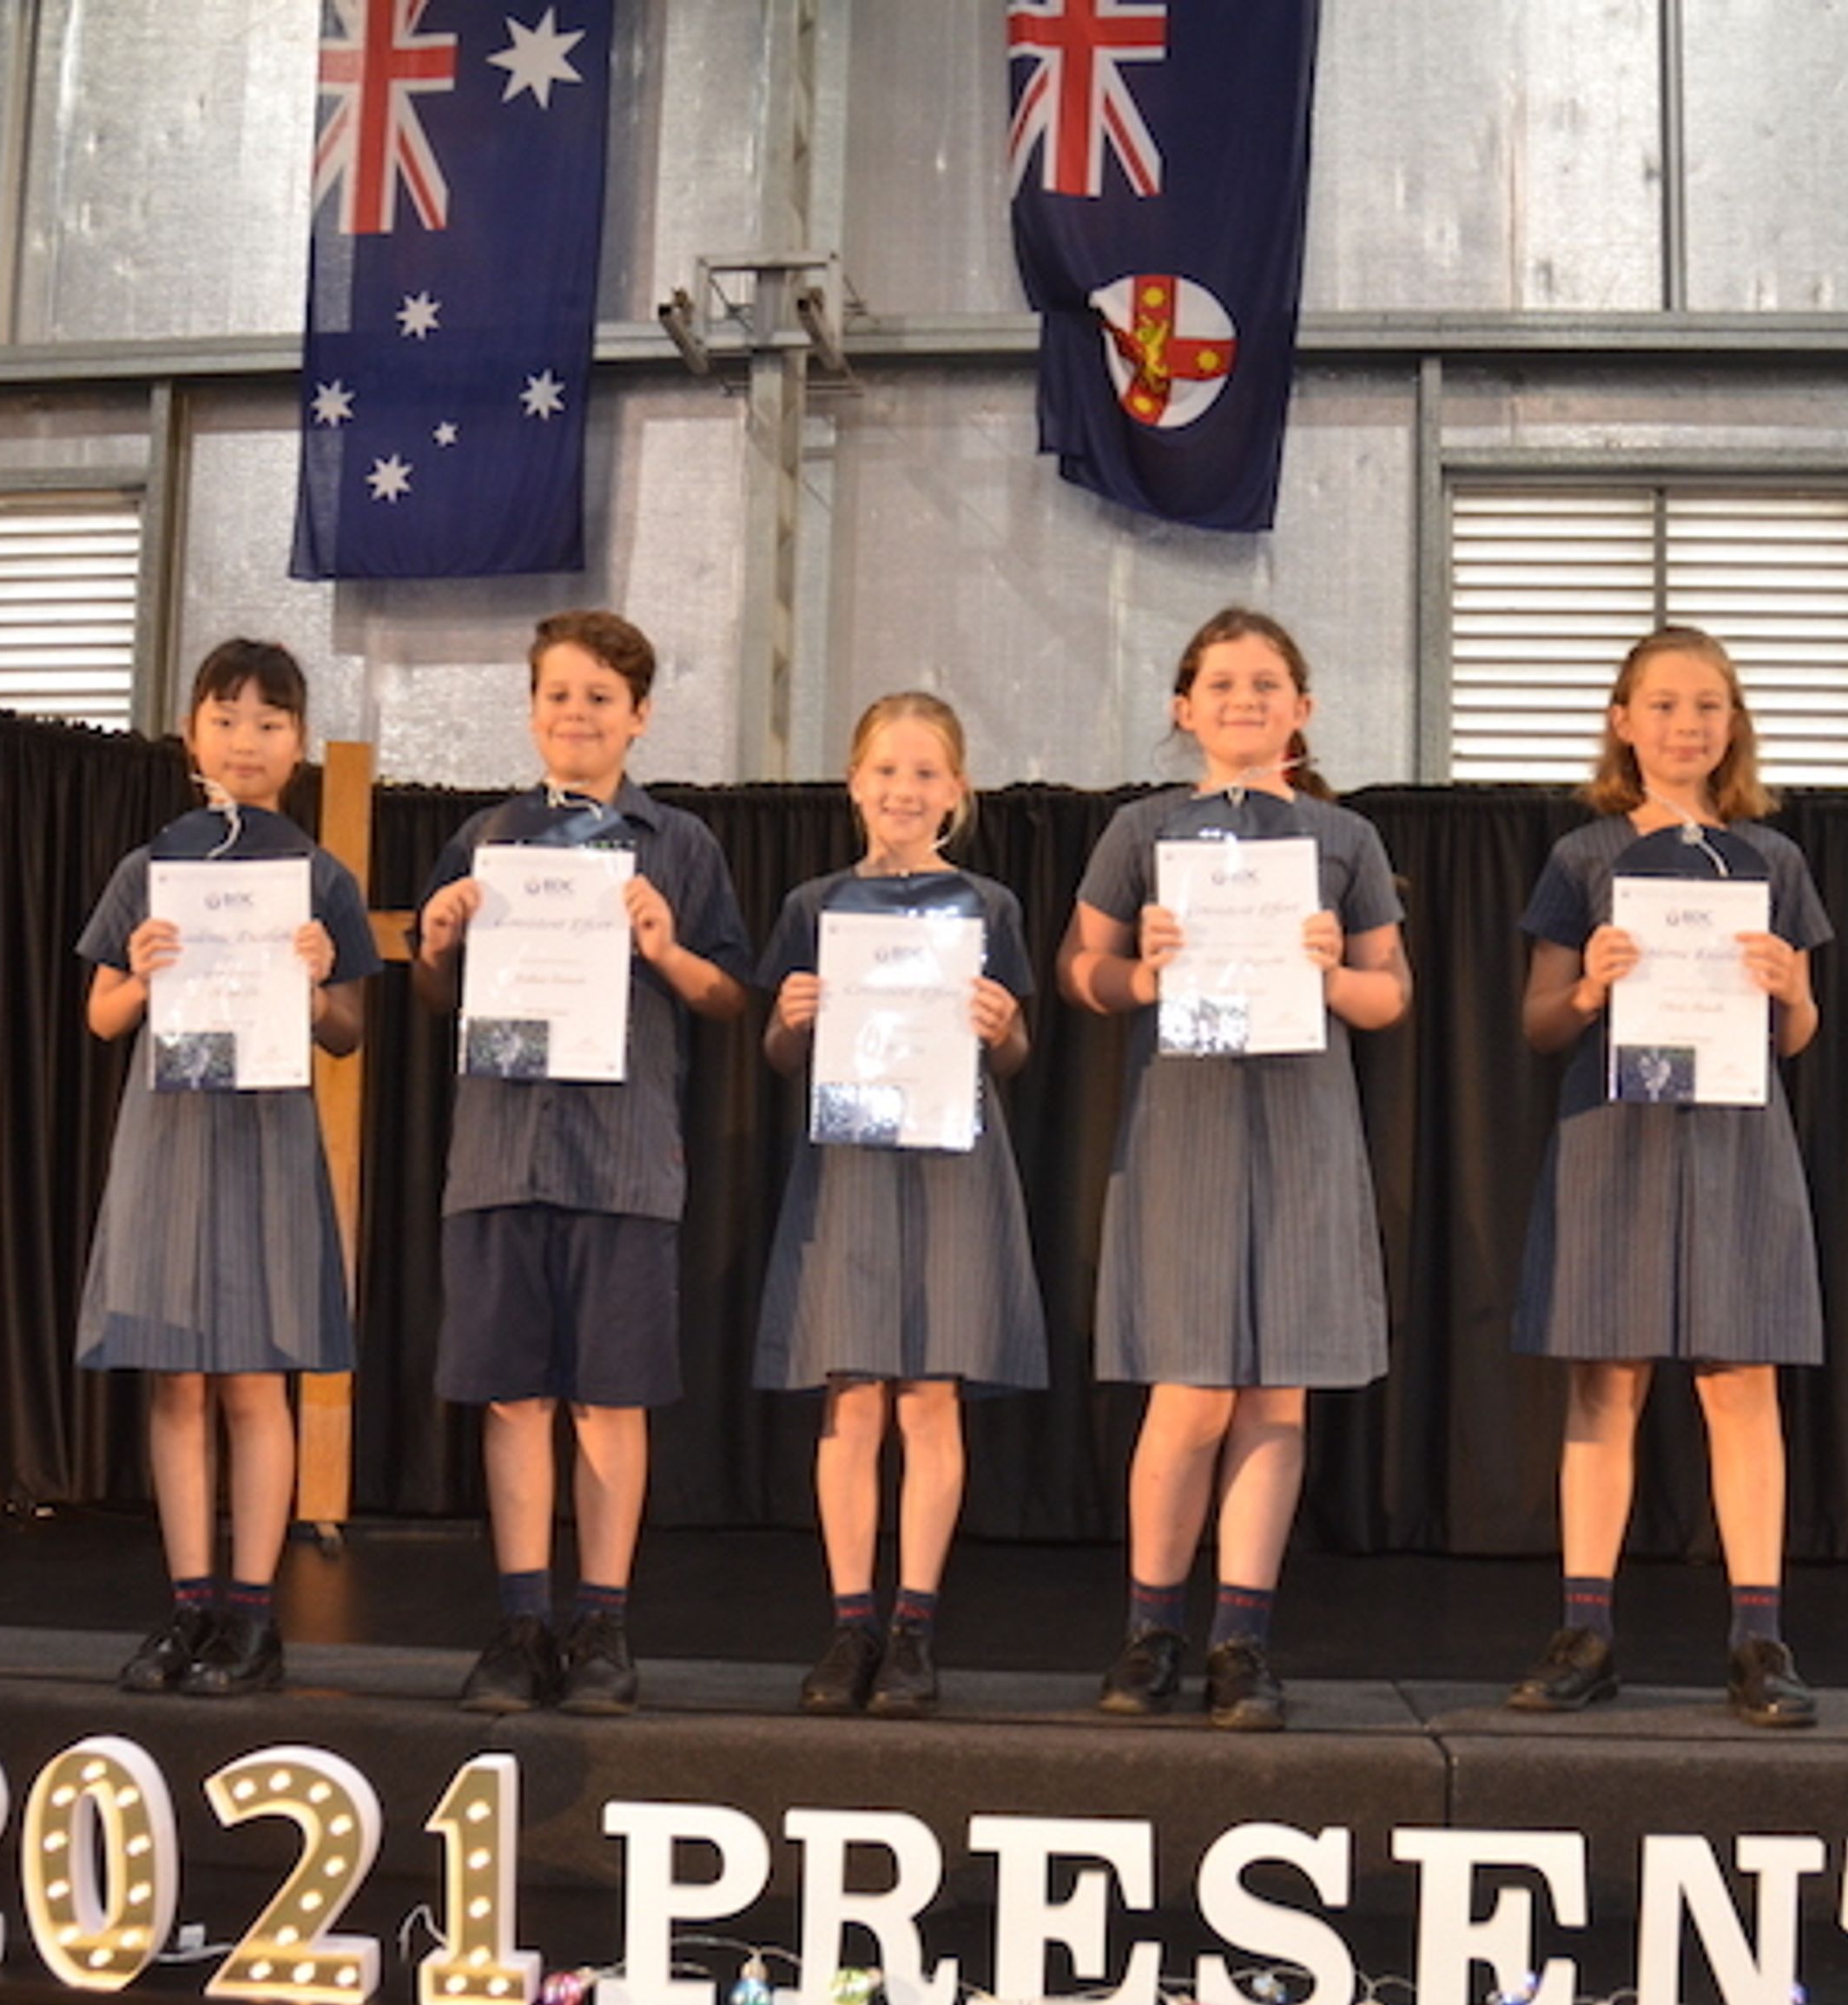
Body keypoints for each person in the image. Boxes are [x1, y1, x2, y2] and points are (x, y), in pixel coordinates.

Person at [1059, 608, 1411, 1731]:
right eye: (1221, 684)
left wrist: (1330, 971)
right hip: (1186, 1132)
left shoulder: (1341, 840)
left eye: (1266, 684)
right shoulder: (1143, 831)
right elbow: (1080, 970)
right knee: (1191, 1392)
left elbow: (1389, 994)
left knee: (1275, 1392)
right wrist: (1143, 975)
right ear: (1184, 708)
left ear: (1302, 708)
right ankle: (1150, 1630)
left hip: (1304, 1132)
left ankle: (1240, 1641)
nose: (1244, 700)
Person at [412, 610, 751, 1717]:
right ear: (531, 710)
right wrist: (437, 944)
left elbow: (728, 996)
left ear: (639, 716)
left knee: (611, 1400)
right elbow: (435, 996)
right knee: (512, 1399)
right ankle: (520, 1624)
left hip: (623, 1161)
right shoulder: (484, 840)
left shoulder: (680, 845)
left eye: (601, 698)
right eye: (558, 694)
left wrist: (667, 948)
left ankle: (601, 1624)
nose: (577, 714)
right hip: (501, 1154)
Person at [1504, 625, 1832, 1730]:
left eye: (1706, 705)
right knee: (1605, 1382)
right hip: (1614, 1138)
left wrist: (1789, 990)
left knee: (1742, 1385)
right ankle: (1585, 1631)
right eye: (1663, 704)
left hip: (1737, 1141)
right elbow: (1538, 1023)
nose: (1686, 724)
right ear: (1622, 722)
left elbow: (1798, 1035)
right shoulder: (1583, 858)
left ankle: (1758, 1640)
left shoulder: (1772, 861)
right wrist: (1588, 989)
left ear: (1732, 725)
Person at [79, 638, 380, 1696]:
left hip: (265, 1138)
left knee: (257, 1377)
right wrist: (141, 975)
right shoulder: (150, 868)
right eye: (225, 717)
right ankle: (189, 1604)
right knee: (176, 1380)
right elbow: (102, 1014)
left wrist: (315, 988)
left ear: (298, 743)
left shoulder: (322, 876)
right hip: (168, 1137)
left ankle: (253, 1614)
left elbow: (348, 1030)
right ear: (189, 734)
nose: (245, 739)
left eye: (268, 721)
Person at [756, 693, 1047, 1718]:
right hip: (849, 1163)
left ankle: (914, 1627)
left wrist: (1001, 1025)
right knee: (851, 1394)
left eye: (925, 773)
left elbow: (1013, 1053)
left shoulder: (988, 908)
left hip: (954, 1161)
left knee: (929, 1395)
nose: (903, 790)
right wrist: (790, 1019)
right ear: (853, 782)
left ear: (956, 790)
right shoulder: (815, 906)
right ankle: (851, 1626)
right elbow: (780, 1054)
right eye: (886, 770)